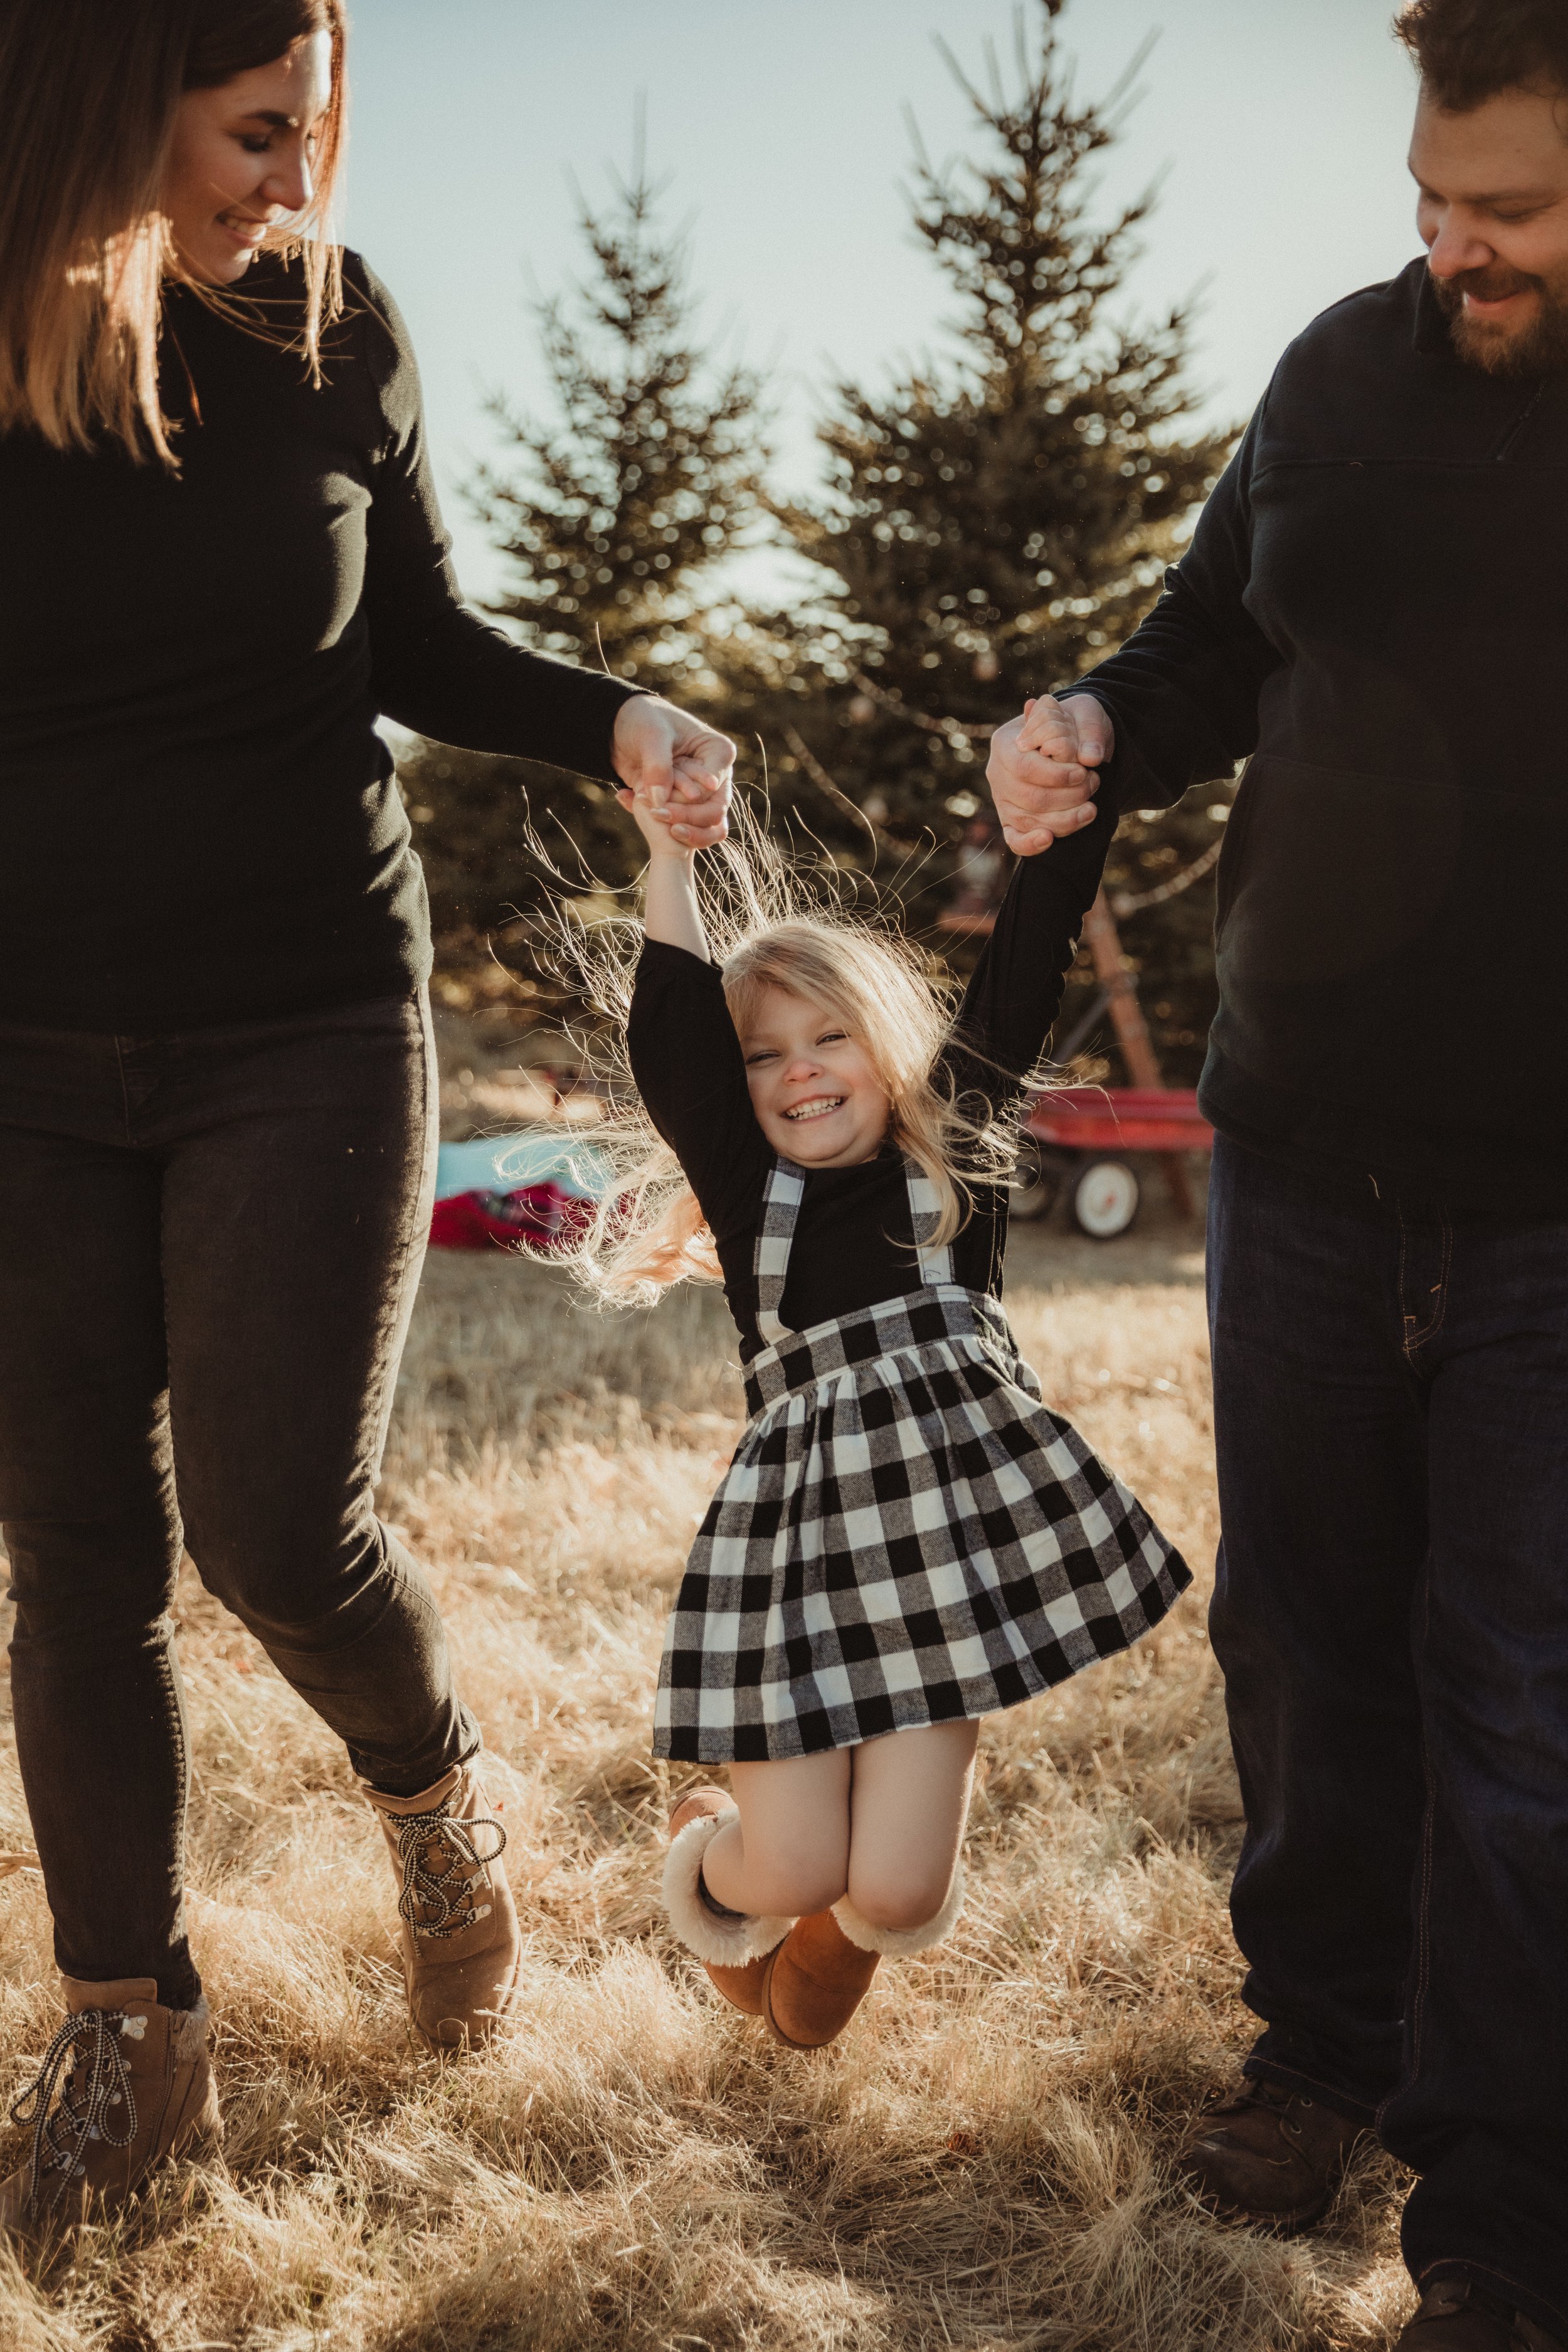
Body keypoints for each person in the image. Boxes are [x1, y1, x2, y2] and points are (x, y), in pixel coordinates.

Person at [0, 0, 734, 2232]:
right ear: (109, 97)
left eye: (317, 131)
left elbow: (407, 638)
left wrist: (616, 715)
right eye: (254, 132)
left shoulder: (332, 323)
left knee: (273, 1530)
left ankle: (429, 1791)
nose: (296, 181)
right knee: (76, 1559)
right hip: (23, 1044)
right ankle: (128, 2021)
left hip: (307, 1013)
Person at [984, 2, 1568, 2343]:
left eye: (1511, 213)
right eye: (1432, 206)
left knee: (1520, 1693)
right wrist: (1100, 722)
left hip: (1555, 1201)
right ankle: (1322, 2051)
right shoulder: (1342, 372)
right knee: (1306, 1650)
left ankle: (1509, 2211)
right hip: (1302, 1154)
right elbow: (1214, 631)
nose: (1458, 255)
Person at [558, 773, 1190, 2052]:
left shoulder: (949, 1146)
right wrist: (667, 861)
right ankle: (712, 1857)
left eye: (826, 1038)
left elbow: (1027, 960)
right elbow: (671, 1037)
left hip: (938, 1566)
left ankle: (824, 1947)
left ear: (884, 1041)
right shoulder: (745, 1190)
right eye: (765, 1055)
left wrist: (1063, 814)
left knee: (899, 1891)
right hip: (799, 1568)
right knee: (791, 1867)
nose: (798, 1074)